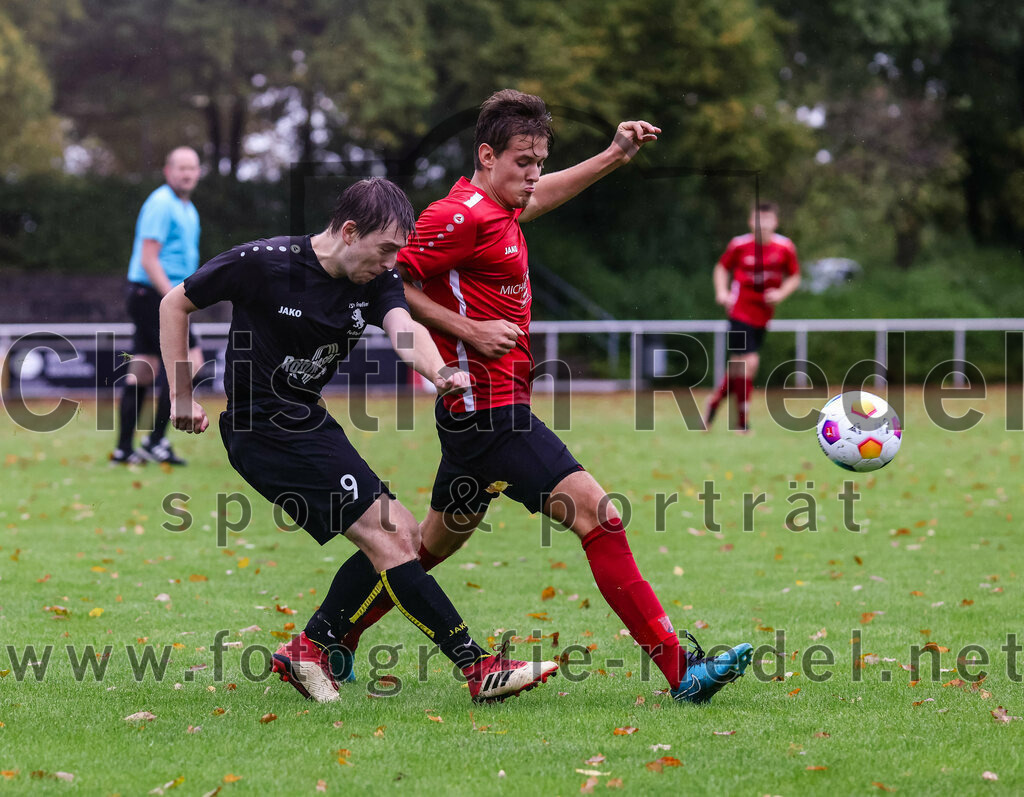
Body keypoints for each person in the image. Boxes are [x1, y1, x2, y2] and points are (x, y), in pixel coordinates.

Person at [329, 90, 753, 704]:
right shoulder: (458, 215)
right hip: (490, 412)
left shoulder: (500, 206)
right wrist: (469, 331)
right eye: (523, 162)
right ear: (486, 155)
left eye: (539, 161)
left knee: (420, 548)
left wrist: (614, 154)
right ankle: (681, 669)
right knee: (599, 518)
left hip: (476, 417)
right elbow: (390, 282)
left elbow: (543, 195)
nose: (534, 175)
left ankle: (321, 641)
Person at [159, 177, 557, 704]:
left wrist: (440, 372)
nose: (392, 263)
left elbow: (403, 329)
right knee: (390, 538)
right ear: (349, 232)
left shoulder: (375, 281)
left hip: (307, 421)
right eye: (386, 249)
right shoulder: (263, 262)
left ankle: (310, 647)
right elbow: (173, 303)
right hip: (261, 430)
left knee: (405, 537)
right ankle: (477, 667)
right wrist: (181, 395)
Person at [112, 146, 204, 466]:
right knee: (189, 361)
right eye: (181, 168)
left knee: (144, 370)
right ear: (168, 171)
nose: (187, 173)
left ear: (199, 172)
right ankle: (155, 441)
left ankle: (124, 449)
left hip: (150, 296)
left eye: (192, 168)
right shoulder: (162, 203)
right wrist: (174, 302)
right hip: (153, 294)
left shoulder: (187, 208)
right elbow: (148, 259)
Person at [703, 202, 801, 433]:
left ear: (775, 222)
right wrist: (722, 292)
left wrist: (780, 294)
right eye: (758, 219)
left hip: (763, 316)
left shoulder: (785, 247)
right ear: (750, 222)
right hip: (738, 311)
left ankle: (714, 403)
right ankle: (742, 424)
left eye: (767, 219)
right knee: (750, 363)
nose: (762, 224)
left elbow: (795, 277)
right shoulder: (739, 245)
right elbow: (721, 267)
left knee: (738, 368)